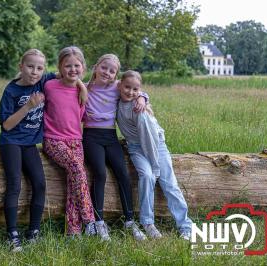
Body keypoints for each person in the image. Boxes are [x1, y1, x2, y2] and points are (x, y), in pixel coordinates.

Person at [116, 70, 193, 240]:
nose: (130, 92)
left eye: (135, 90)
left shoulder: (139, 110)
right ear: (120, 85)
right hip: (136, 148)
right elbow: (100, 85)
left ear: (139, 89)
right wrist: (143, 96)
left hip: (156, 146)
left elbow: (149, 141)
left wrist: (156, 165)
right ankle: (147, 223)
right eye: (127, 87)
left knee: (169, 184)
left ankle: (186, 226)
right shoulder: (118, 95)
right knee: (146, 176)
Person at [82, 54, 149, 241]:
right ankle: (99, 222)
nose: (107, 73)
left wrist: (143, 98)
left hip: (110, 136)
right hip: (91, 136)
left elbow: (136, 88)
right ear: (96, 67)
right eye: (104, 68)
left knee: (123, 173)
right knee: (100, 174)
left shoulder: (117, 87)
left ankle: (129, 221)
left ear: (116, 76)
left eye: (112, 71)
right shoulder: (85, 87)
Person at [0, 49, 56, 252]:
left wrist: (80, 87)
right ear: (21, 67)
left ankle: (34, 231)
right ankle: (12, 234)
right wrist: (28, 106)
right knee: (15, 184)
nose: (34, 72)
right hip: (11, 142)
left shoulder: (43, 82)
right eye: (30, 67)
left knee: (40, 183)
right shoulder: (11, 91)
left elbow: (70, 73)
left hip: (30, 144)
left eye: (39, 68)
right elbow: (6, 125)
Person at [43, 46, 97, 238]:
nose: (72, 69)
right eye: (67, 66)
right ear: (60, 67)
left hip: (76, 141)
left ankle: (73, 231)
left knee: (73, 180)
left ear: (83, 67)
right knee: (76, 167)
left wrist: (81, 86)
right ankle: (90, 220)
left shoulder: (82, 91)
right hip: (53, 140)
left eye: (77, 65)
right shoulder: (49, 86)